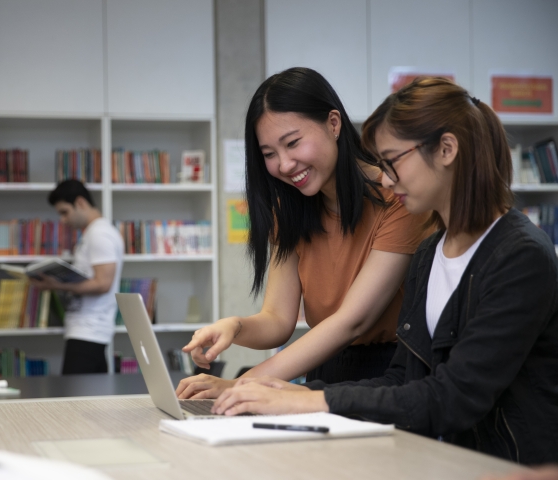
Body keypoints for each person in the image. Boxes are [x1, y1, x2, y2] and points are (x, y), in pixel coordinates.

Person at [210, 77, 558, 465]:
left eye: (392, 162)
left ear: (446, 149)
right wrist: (289, 394)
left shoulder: (520, 256)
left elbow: (452, 396)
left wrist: (307, 398)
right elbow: (406, 379)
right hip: (444, 456)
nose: (387, 180)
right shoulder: (431, 253)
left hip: (507, 466)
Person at [176, 67, 431, 399]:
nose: (284, 164)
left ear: (334, 123)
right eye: (269, 154)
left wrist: (240, 385)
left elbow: (351, 321)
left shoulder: (399, 199)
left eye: (293, 143)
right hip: (324, 369)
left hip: (389, 378)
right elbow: (278, 319)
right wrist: (235, 327)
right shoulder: (292, 211)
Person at [30, 179, 124, 374]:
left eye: (65, 212)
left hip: (89, 331)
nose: (63, 220)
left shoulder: (100, 234)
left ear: (80, 203)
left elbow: (103, 283)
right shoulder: (92, 234)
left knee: (75, 399)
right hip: (85, 330)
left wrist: (57, 285)